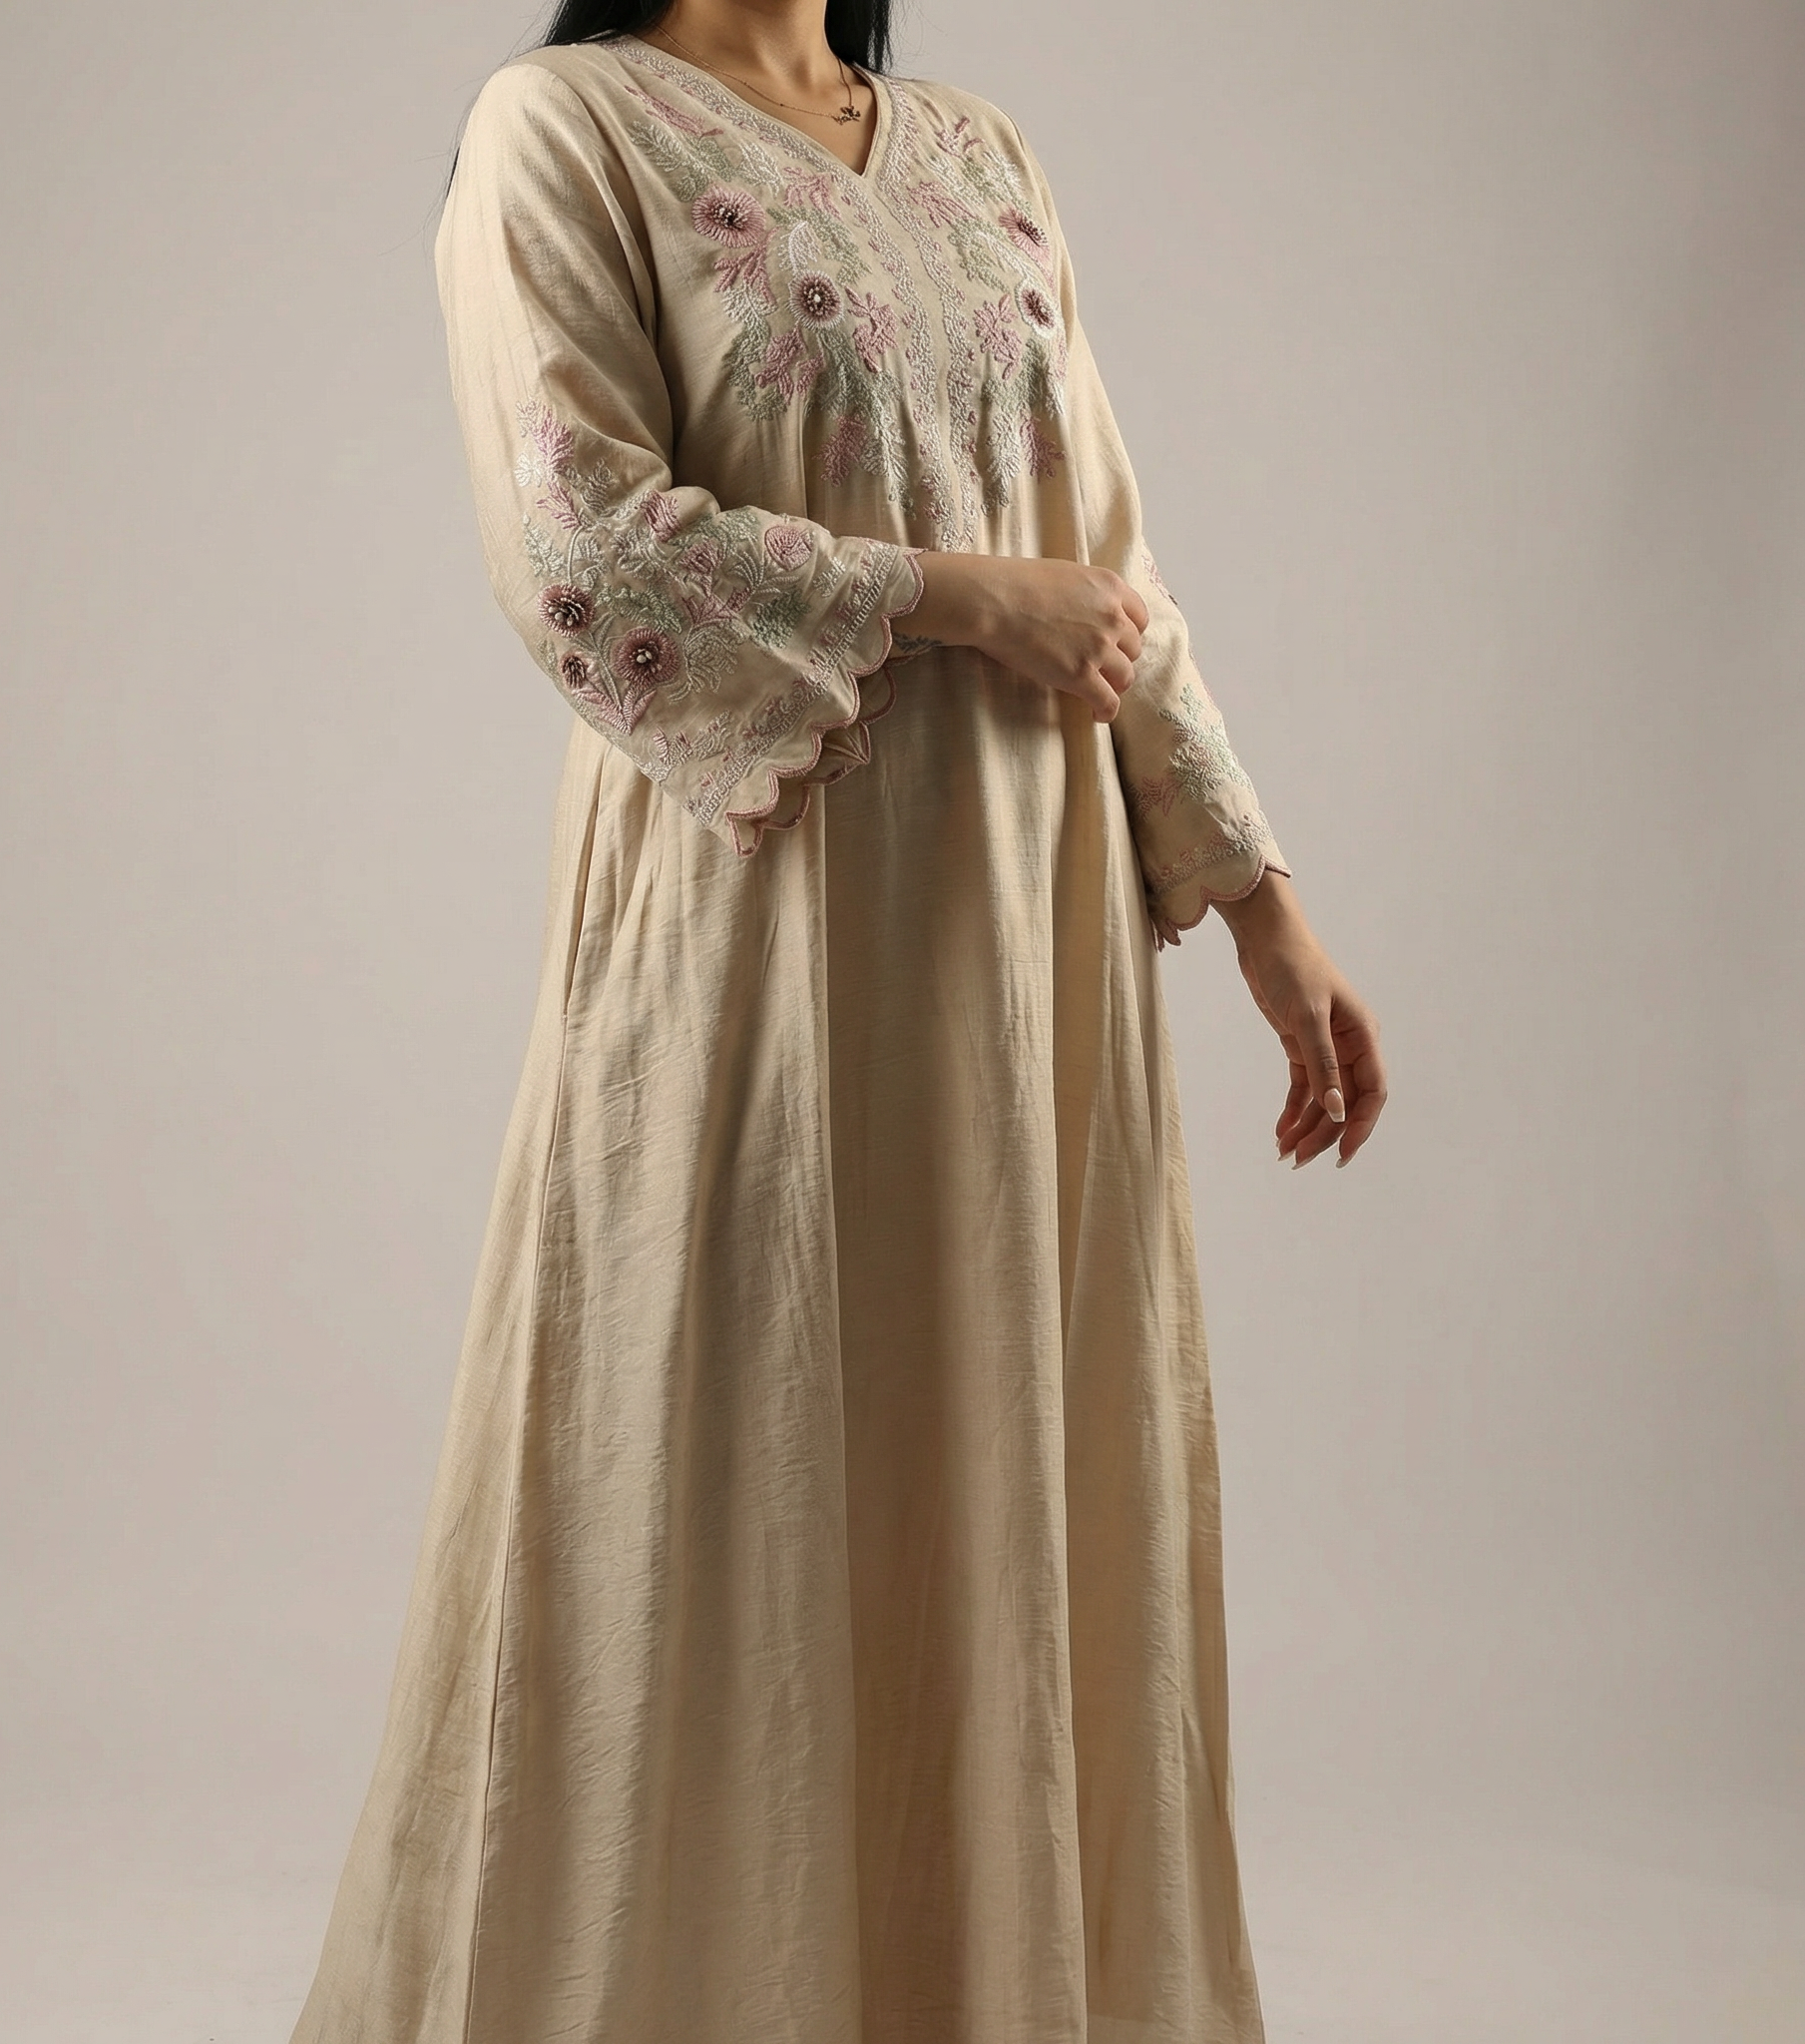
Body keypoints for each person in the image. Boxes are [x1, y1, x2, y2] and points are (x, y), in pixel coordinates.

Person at [289, 2, 1387, 2038]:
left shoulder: (978, 153)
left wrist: (1260, 898)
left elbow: (1106, 554)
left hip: (1030, 938)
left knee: (996, 1471)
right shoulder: (564, 129)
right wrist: (961, 597)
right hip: (762, 933)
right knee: (729, 1466)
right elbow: (579, 546)